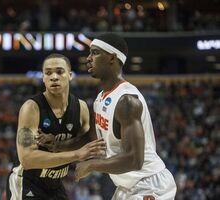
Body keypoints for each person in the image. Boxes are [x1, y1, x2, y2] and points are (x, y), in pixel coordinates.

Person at [74, 33, 177, 200]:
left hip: (148, 184)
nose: (88, 58)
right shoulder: (100, 99)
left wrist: (91, 165)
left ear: (112, 58)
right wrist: (58, 146)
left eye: (95, 53)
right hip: (127, 186)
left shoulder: (127, 100)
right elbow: (92, 141)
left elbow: (134, 159)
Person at [6, 53, 105, 200]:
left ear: (70, 75)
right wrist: (77, 154)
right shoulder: (31, 108)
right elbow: (27, 159)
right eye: (48, 73)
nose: (54, 77)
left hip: (56, 183)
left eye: (59, 72)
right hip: (27, 182)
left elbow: (89, 145)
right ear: (43, 78)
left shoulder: (81, 108)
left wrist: (88, 163)